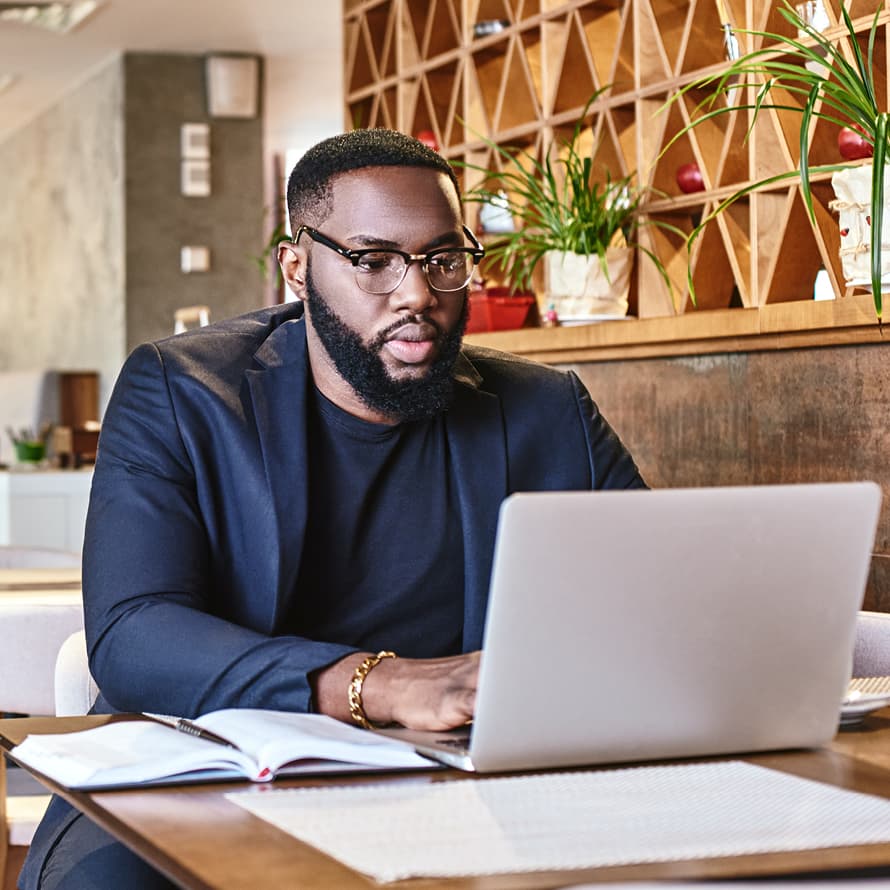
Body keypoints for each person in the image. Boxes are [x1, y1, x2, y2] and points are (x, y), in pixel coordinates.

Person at [21, 128, 645, 889]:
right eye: (373, 261)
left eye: (442, 260)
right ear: (296, 266)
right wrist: (375, 683)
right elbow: (134, 632)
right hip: (207, 771)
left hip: (464, 782)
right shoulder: (180, 394)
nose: (416, 293)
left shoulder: (549, 411)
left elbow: (652, 600)